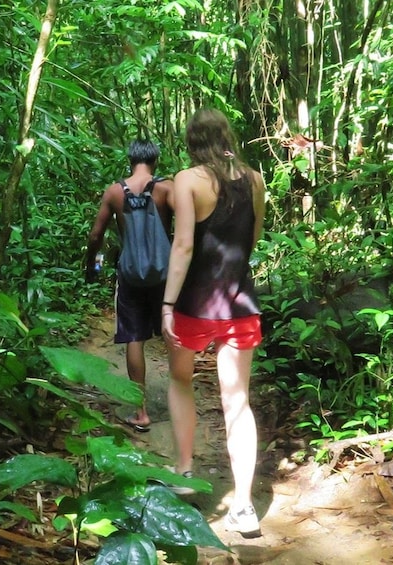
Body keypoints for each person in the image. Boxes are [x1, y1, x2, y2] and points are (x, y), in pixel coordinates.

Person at [160, 109, 266, 537]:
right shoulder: (254, 179)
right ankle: (244, 506)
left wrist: (167, 303)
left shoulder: (187, 180)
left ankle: (184, 470)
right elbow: (252, 238)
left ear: (191, 141)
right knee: (237, 400)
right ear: (228, 136)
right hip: (240, 303)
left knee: (180, 379)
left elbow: (183, 244)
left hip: (193, 305)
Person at [85, 139, 173, 433]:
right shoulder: (166, 188)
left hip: (131, 275)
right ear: (155, 161)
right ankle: (180, 400)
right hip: (165, 274)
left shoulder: (114, 192)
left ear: (130, 160)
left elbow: (95, 236)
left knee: (135, 337)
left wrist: (92, 267)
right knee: (172, 331)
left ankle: (141, 411)